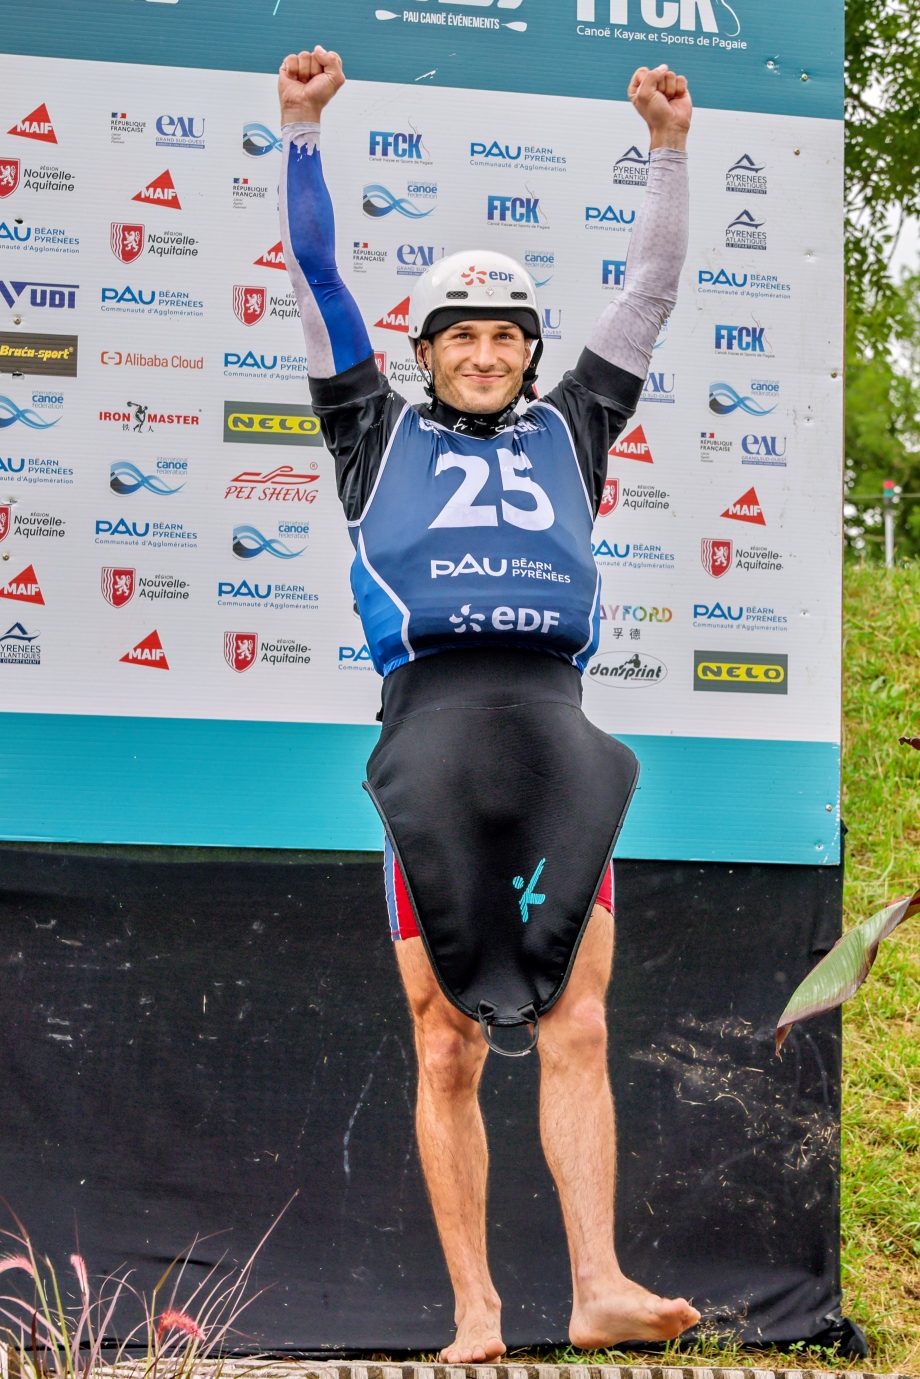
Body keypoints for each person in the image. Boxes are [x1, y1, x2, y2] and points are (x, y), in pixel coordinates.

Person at [277, 48, 700, 1359]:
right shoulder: (369, 428)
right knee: (446, 1040)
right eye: (461, 334)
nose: (483, 351)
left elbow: (652, 291)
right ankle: (475, 1311)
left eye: (505, 333)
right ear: (428, 351)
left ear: (526, 351)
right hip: (434, 734)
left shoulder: (573, 425)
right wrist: (300, 133)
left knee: (578, 1017)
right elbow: (319, 278)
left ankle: (596, 1287)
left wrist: (669, 149)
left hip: (554, 732)